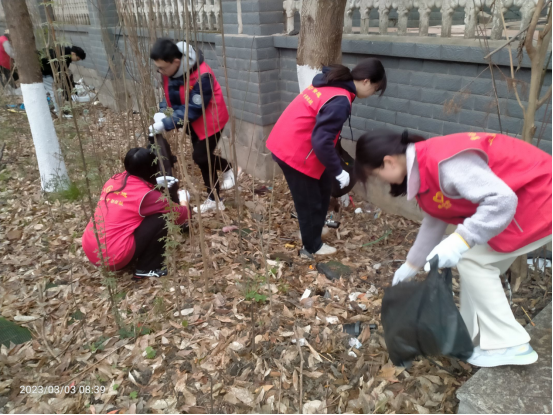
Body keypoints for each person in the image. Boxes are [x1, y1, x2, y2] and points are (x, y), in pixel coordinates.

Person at [355, 129, 552, 368]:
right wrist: (412, 264)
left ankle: (511, 344)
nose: (382, 180)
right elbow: (437, 216)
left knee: (472, 260)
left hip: (540, 198)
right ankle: (474, 338)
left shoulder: (443, 163)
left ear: (388, 161)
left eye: (376, 174)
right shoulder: (424, 166)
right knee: (475, 267)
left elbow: (502, 200)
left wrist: (461, 240)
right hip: (528, 201)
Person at [266, 60, 387, 257]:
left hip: (291, 142)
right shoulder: (340, 100)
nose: (372, 93)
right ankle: (311, 246)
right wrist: (338, 171)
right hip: (295, 152)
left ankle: (314, 230)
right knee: (309, 201)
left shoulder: (331, 85)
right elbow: (321, 141)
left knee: (323, 189)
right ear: (366, 81)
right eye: (375, 89)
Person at [149, 38, 239, 214]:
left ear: (176, 62)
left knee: (200, 156)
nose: (160, 71)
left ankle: (227, 168)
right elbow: (170, 95)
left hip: (211, 120)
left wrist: (166, 123)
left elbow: (195, 108)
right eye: (158, 68)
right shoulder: (169, 71)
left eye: (162, 68)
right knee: (204, 160)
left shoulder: (203, 75)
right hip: (192, 122)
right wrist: (164, 111)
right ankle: (215, 199)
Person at [82, 148, 191, 280]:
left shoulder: (113, 180)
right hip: (113, 258)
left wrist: (155, 183)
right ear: (152, 168)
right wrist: (184, 199)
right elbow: (181, 216)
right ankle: (147, 268)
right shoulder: (148, 196)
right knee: (160, 218)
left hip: (91, 249)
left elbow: (131, 192)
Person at [40, 45, 86, 117]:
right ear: (73, 54)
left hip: (47, 72)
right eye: (77, 59)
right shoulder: (63, 56)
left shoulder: (64, 53)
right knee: (55, 92)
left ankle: (55, 109)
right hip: (44, 73)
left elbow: (65, 74)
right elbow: (63, 73)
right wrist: (71, 91)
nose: (76, 61)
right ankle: (59, 113)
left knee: (53, 92)